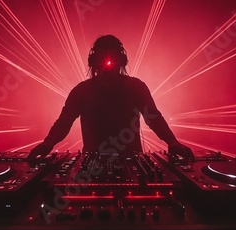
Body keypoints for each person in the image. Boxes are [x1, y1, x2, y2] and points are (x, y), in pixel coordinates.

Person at [27, 35, 193, 161]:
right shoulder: (81, 91)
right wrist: (48, 143)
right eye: (103, 59)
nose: (108, 64)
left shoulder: (136, 87)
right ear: (94, 62)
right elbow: (64, 122)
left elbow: (154, 118)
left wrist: (172, 142)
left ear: (121, 61)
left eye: (112, 59)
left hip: (118, 160)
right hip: (98, 161)